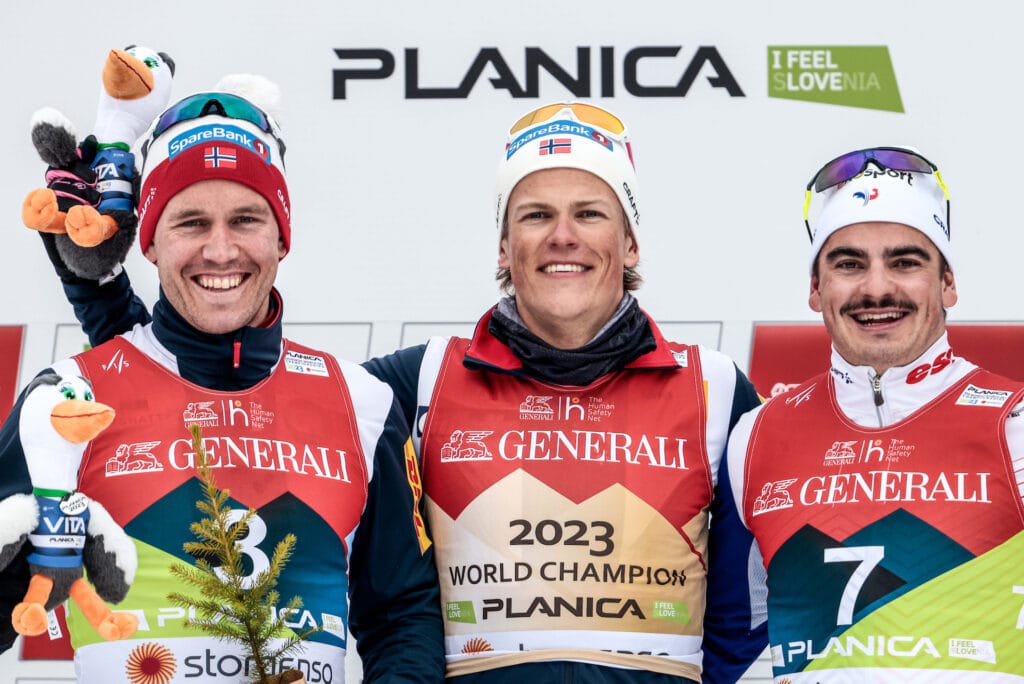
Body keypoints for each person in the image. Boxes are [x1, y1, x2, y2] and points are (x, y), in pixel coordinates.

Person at [26, 101, 768, 682]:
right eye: (535, 215)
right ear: (503, 245)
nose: (562, 237)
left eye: (591, 213)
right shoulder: (414, 385)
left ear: (630, 241)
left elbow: (746, 617)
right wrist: (102, 299)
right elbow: (230, 396)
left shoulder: (716, 389)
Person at [0, 83, 444, 683]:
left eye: (245, 219)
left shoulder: (360, 403)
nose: (220, 249)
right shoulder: (71, 398)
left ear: (282, 236)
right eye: (190, 222)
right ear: (150, 242)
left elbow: (402, 618)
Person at [726, 146, 1024, 682]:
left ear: (947, 283)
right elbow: (737, 638)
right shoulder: (755, 435)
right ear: (816, 289)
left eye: (905, 261)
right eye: (848, 264)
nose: (877, 288)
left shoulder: (1015, 423)